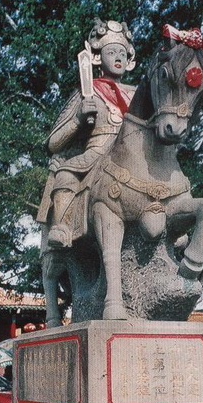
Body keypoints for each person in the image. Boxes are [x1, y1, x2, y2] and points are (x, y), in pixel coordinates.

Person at [37, 19, 137, 248]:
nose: (118, 57)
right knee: (66, 173)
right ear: (98, 57)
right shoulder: (87, 92)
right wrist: (78, 118)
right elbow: (53, 143)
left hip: (134, 154)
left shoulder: (138, 94)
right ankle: (62, 226)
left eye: (122, 53)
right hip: (97, 153)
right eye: (112, 52)